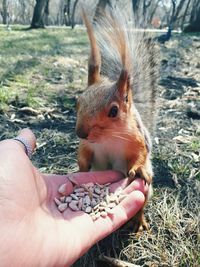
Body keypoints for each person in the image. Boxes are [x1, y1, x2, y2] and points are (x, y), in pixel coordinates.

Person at [0, 128, 148, 267]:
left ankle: (138, 217)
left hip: (121, 177)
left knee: (139, 184)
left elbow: (140, 150)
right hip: (96, 182)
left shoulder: (128, 132)